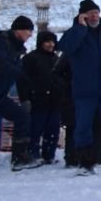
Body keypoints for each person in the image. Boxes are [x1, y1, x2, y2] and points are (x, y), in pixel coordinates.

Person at [58, 0, 101, 174]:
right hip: (84, 91)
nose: (94, 15)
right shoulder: (75, 33)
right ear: (83, 15)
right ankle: (85, 164)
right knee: (83, 127)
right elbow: (65, 47)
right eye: (90, 13)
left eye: (96, 12)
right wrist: (80, 28)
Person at [19, 29, 67, 165]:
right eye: (47, 42)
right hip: (37, 100)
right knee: (35, 130)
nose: (50, 45)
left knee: (52, 131)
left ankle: (49, 155)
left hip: (55, 101)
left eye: (52, 42)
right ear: (41, 43)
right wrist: (25, 98)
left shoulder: (57, 59)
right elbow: (22, 80)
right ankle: (33, 154)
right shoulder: (30, 58)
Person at [0, 16, 35, 171]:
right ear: (18, 30)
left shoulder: (17, 49)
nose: (30, 35)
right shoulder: (0, 42)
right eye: (28, 31)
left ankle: (19, 158)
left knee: (22, 116)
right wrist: (18, 73)